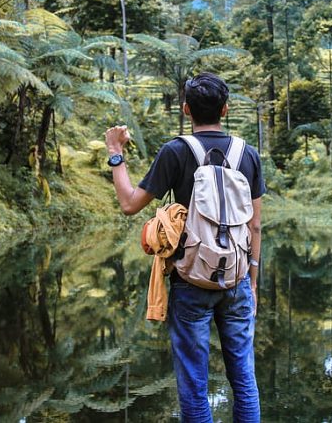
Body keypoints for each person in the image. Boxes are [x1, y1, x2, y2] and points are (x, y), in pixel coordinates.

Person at [104, 72, 265, 423]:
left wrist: (116, 153)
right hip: (236, 280)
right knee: (245, 380)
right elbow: (255, 225)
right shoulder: (247, 154)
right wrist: (251, 282)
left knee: (194, 385)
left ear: (186, 109)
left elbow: (131, 204)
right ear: (225, 109)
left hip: (190, 280)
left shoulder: (176, 151)